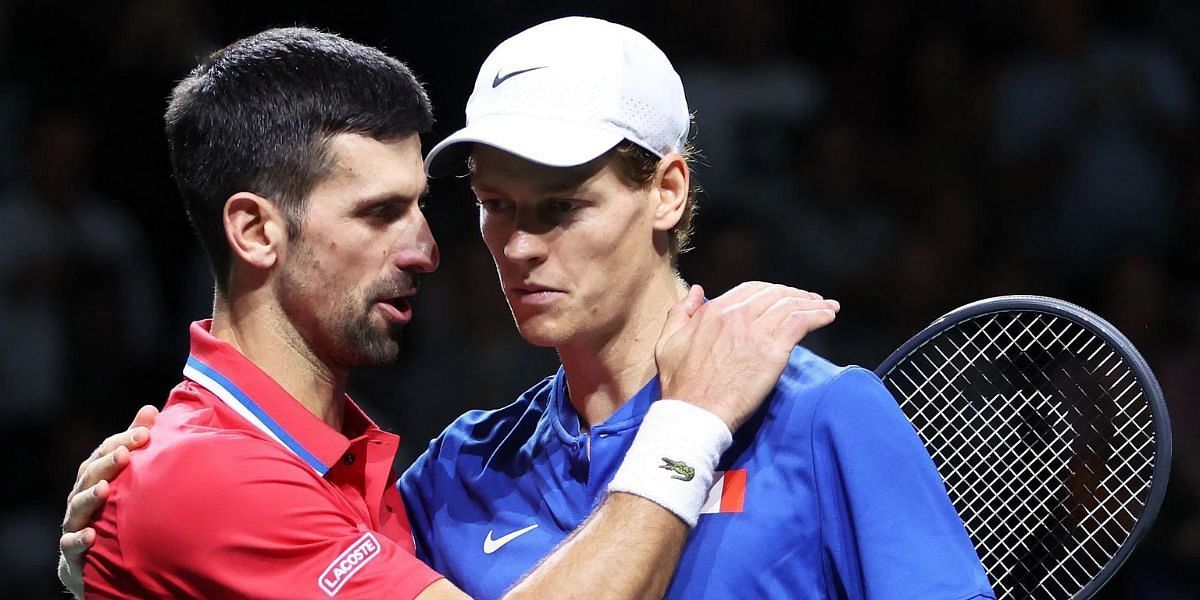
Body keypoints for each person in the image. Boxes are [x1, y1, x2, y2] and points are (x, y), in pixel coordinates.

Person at [60, 17, 990, 599]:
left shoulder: (826, 415)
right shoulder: (455, 474)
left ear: (667, 191)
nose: (515, 246)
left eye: (562, 207)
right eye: (495, 205)